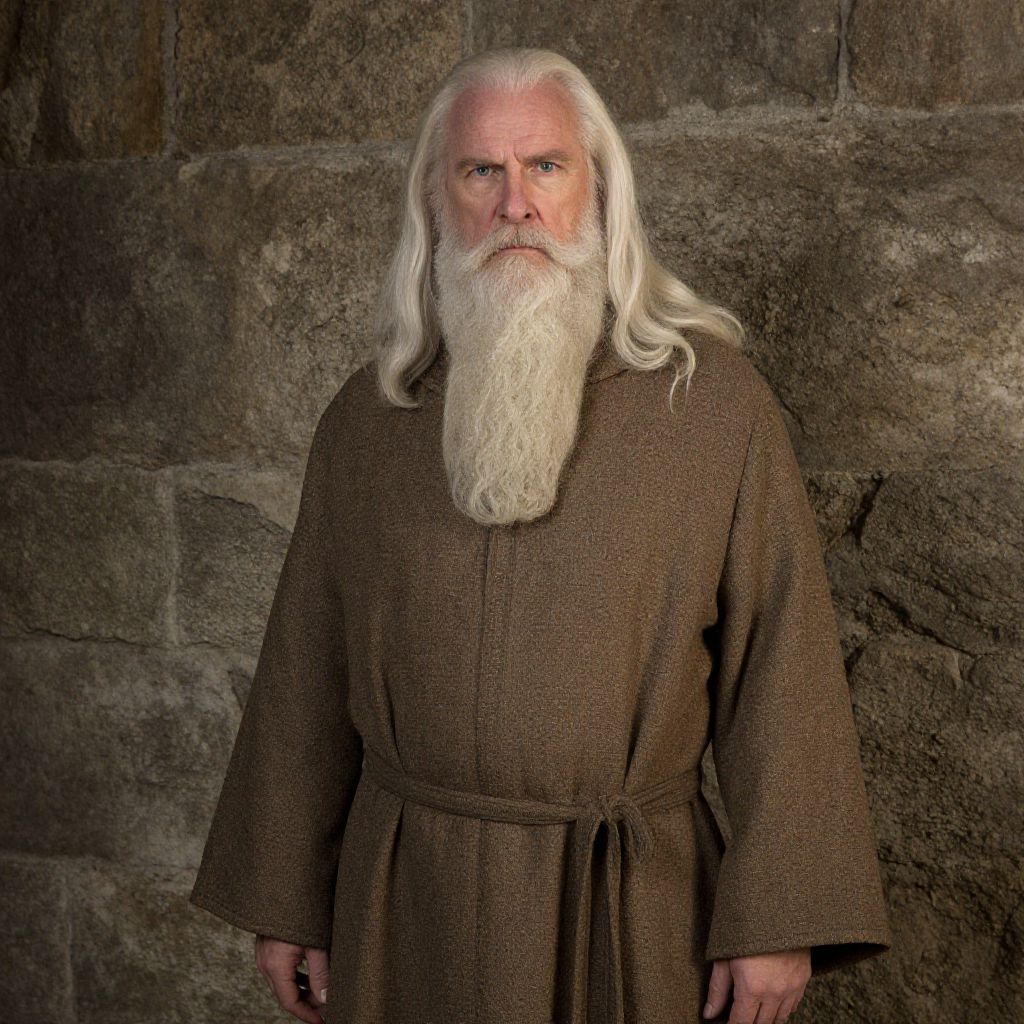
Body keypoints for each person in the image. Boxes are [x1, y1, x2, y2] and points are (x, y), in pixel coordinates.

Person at [189, 47, 892, 1024]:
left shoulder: (712, 409)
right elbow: (304, 672)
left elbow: (783, 670)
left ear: (597, 190)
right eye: (481, 170)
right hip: (406, 906)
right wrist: (288, 899)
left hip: (629, 909)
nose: (514, 204)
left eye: (545, 167)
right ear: (435, 199)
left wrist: (776, 918)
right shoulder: (369, 420)